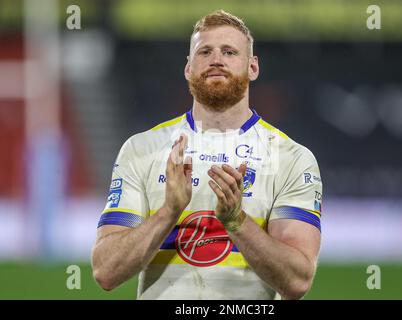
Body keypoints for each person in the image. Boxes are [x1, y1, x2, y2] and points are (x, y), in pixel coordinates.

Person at [91, 10, 323, 300]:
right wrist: (168, 212)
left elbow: (297, 281)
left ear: (252, 67)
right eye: (205, 52)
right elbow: (106, 271)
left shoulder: (292, 158)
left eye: (229, 51)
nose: (216, 59)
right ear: (188, 68)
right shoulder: (142, 150)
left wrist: (237, 221)